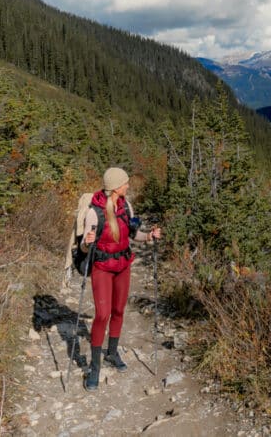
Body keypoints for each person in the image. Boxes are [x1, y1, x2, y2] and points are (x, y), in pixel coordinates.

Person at [80, 167, 162, 391]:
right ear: (116, 187)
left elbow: (133, 234)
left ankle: (112, 353)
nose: (128, 186)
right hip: (102, 268)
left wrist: (149, 237)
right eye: (125, 183)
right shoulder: (94, 213)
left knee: (118, 311)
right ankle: (94, 367)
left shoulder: (126, 206)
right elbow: (84, 247)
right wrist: (87, 242)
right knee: (102, 315)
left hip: (123, 265)